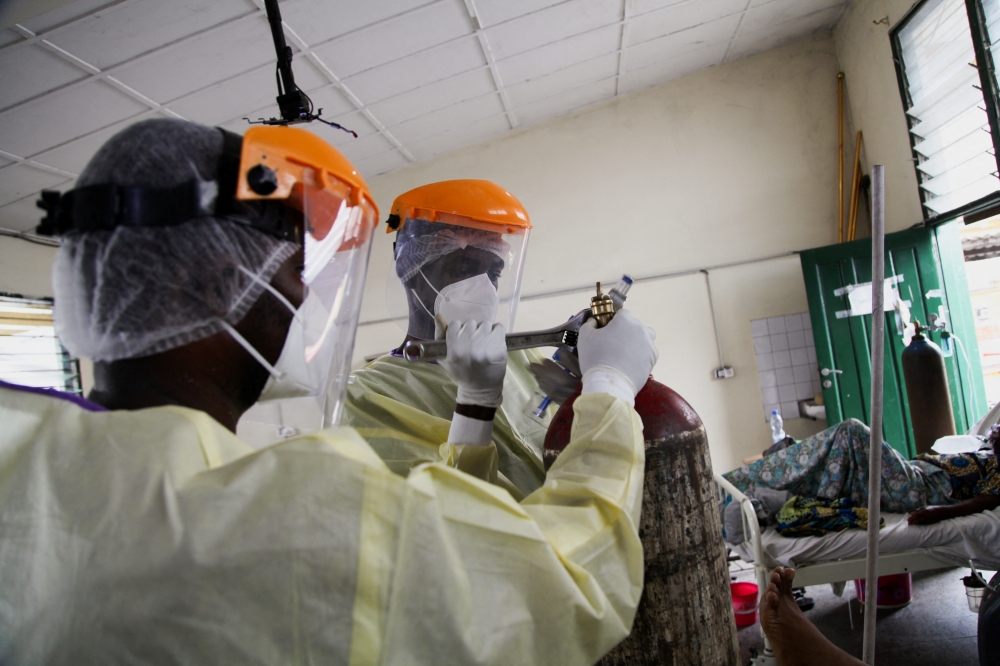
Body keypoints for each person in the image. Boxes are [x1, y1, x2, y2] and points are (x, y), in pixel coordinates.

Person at [0, 119, 660, 663]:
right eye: (294, 275)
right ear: (208, 287)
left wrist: (561, 380)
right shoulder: (303, 515)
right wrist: (608, 388)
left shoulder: (19, 455)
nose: (304, 304)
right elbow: (552, 584)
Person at [342, 180, 550, 499]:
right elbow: (436, 511)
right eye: (465, 267)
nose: (484, 289)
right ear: (410, 267)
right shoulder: (366, 396)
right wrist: (475, 405)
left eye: (493, 273)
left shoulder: (523, 358)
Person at [724, 418, 1000, 525]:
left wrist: (939, 513)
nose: (995, 432)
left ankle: (740, 485)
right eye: (996, 429)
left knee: (852, 431)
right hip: (913, 473)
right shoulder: (986, 449)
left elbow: (987, 501)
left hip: (920, 490)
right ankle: (748, 489)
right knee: (836, 464)